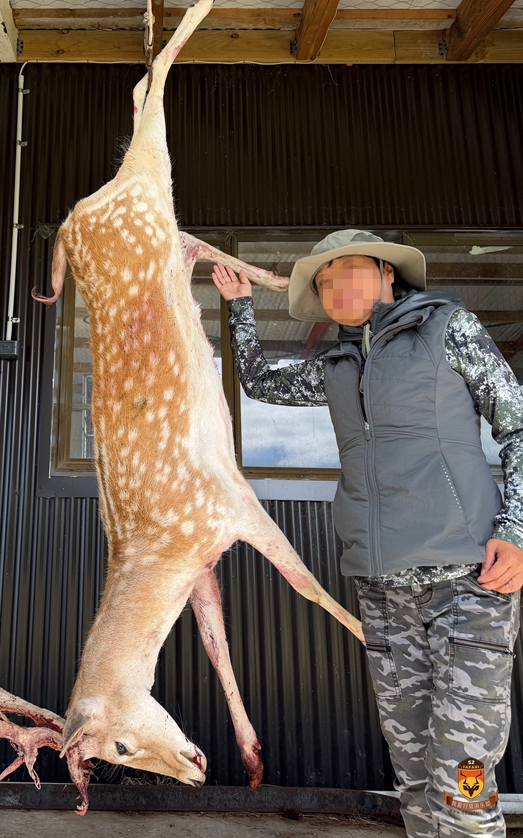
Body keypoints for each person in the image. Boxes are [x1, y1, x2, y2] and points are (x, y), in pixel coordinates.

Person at [212, 229, 523, 838]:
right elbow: (258, 382)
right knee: (409, 767)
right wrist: (240, 309)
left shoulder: (447, 329)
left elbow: (518, 427)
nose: (336, 287)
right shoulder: (336, 366)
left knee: (461, 769)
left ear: (387, 272)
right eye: (324, 281)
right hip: (382, 591)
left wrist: (515, 529)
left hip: (469, 583)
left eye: (349, 270)